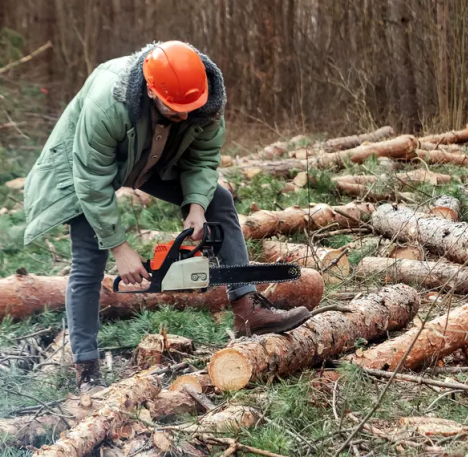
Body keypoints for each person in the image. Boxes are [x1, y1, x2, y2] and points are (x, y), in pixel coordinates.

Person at [22, 41, 311, 391]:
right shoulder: (107, 103)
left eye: (191, 109)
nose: (186, 116)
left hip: (153, 156)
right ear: (149, 90)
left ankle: (246, 307)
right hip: (85, 167)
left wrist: (196, 207)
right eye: (176, 110)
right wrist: (120, 248)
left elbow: (203, 160)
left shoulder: (204, 102)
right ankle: (87, 370)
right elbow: (92, 181)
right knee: (89, 257)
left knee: (218, 198)